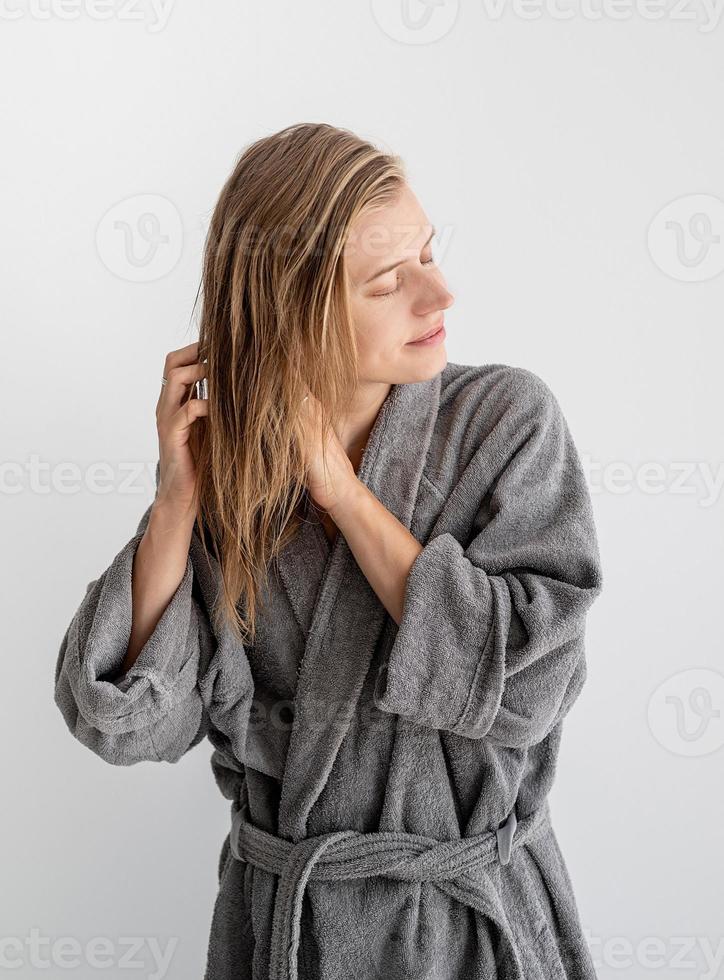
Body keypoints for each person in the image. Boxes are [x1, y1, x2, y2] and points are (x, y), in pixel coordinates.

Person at [54, 122, 604, 980]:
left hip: (468, 934)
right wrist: (177, 499)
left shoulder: (506, 424)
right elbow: (121, 725)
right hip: (289, 939)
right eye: (391, 280)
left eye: (429, 252)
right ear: (293, 313)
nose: (440, 294)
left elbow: (528, 687)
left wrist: (341, 494)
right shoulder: (235, 483)